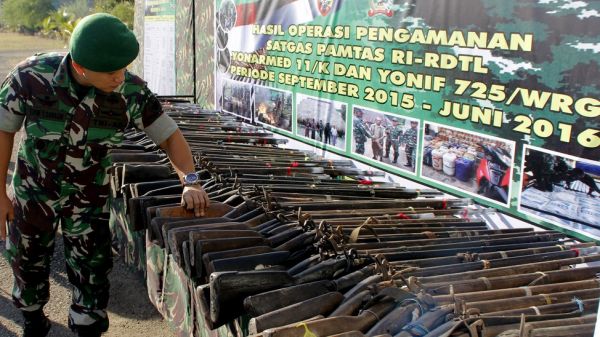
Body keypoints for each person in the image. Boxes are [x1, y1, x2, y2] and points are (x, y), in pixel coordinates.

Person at [0, 13, 209, 337]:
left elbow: (170, 137)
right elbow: (2, 132)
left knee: (92, 271)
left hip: (89, 200)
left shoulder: (130, 92)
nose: (119, 77)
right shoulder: (30, 78)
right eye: (112, 72)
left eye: (124, 68)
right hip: (34, 195)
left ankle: (87, 326)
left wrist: (190, 182)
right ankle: (32, 319)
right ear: (81, 67)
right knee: (27, 263)